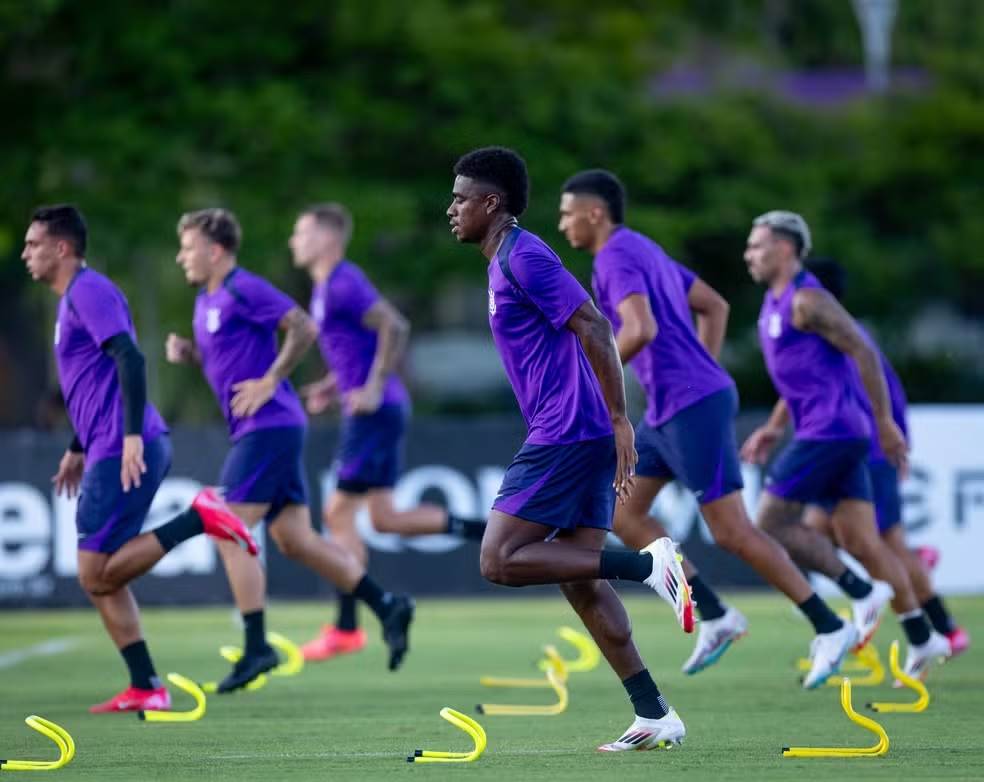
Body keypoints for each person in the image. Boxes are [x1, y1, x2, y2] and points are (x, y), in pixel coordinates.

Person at [558, 170, 855, 685]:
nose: (562, 224)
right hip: (673, 407)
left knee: (732, 531)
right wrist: (700, 365)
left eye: (566, 213)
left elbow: (641, 328)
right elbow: (714, 305)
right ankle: (716, 614)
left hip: (692, 404)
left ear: (594, 213)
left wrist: (588, 378)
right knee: (625, 513)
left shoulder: (615, 256)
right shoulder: (642, 248)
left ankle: (829, 625)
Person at [448, 146, 691, 751]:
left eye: (459, 198)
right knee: (580, 580)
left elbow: (596, 325)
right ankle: (654, 712)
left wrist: (619, 419)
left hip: (568, 431)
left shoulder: (525, 256)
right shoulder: (502, 258)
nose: (450, 209)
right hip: (575, 430)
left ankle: (648, 564)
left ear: (491, 202)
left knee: (498, 560)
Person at [167, 208, 414, 691]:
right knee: (297, 541)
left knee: (227, 530)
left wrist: (272, 380)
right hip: (261, 430)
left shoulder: (243, 287)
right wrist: (191, 355)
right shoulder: (206, 301)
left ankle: (257, 647)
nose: (181, 257)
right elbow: (226, 362)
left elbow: (302, 326)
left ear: (215, 251)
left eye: (188, 247)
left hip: (270, 426)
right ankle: (387, 605)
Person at [24, 204, 257, 713]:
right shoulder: (71, 300)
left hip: (126, 445)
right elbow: (94, 384)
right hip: (107, 443)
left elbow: (129, 356)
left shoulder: (87, 289)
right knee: (101, 576)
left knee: (94, 574)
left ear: (61, 248)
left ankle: (199, 517)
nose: (25, 254)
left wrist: (128, 437)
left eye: (33, 244)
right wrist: (75, 446)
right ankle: (146, 685)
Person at [741, 211, 950, 680]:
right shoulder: (775, 303)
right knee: (863, 540)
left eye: (758, 246)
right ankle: (923, 635)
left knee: (770, 522)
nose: (748, 254)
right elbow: (798, 377)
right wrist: (774, 426)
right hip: (834, 431)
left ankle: (857, 591)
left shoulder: (808, 299)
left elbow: (862, 349)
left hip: (831, 432)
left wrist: (885, 422)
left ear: (787, 249)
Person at [288, 203, 487, 661]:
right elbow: (355, 348)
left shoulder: (342, 279)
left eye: (302, 233)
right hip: (373, 407)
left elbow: (395, 324)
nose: (294, 242)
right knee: (383, 519)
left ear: (327, 238)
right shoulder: (325, 285)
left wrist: (373, 385)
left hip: (375, 411)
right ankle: (490, 529)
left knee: (338, 513)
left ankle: (345, 627)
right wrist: (332, 385)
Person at [802, 258, 969, 668]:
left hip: (865, 455)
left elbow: (888, 395)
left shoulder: (846, 337)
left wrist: (896, 444)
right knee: (815, 533)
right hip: (847, 452)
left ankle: (943, 630)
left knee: (871, 546)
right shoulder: (828, 335)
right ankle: (911, 571)